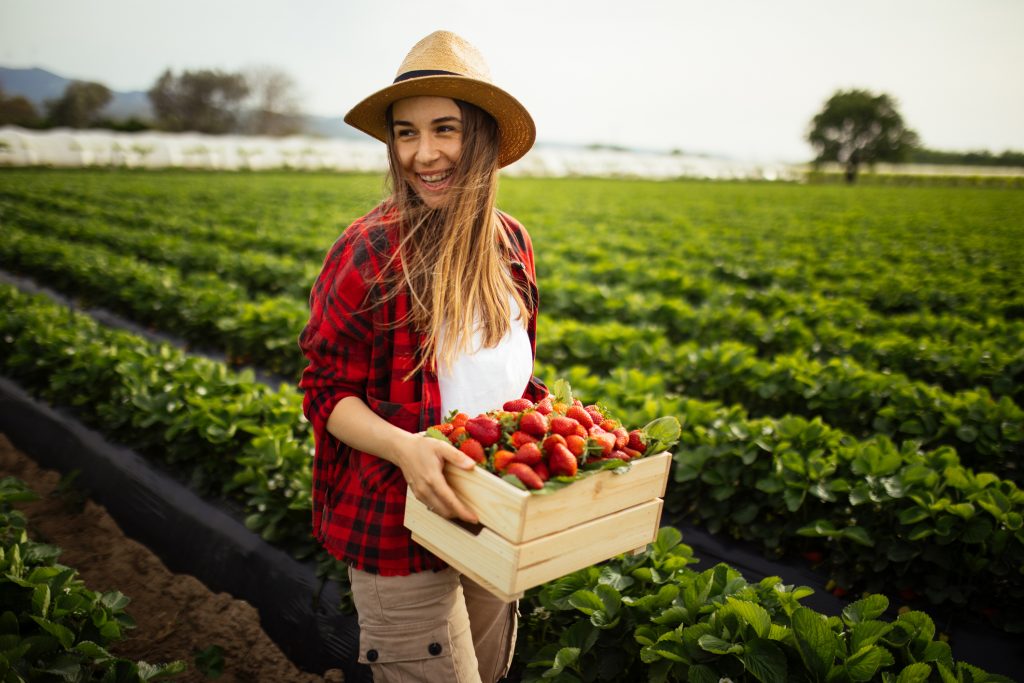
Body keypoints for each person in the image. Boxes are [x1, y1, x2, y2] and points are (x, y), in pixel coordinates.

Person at [298, 30, 548, 683]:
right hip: (397, 523)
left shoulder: (510, 245)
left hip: (491, 513)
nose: (424, 153)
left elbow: (508, 386)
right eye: (406, 133)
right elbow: (324, 391)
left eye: (445, 129)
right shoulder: (370, 252)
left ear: (485, 137)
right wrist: (407, 448)